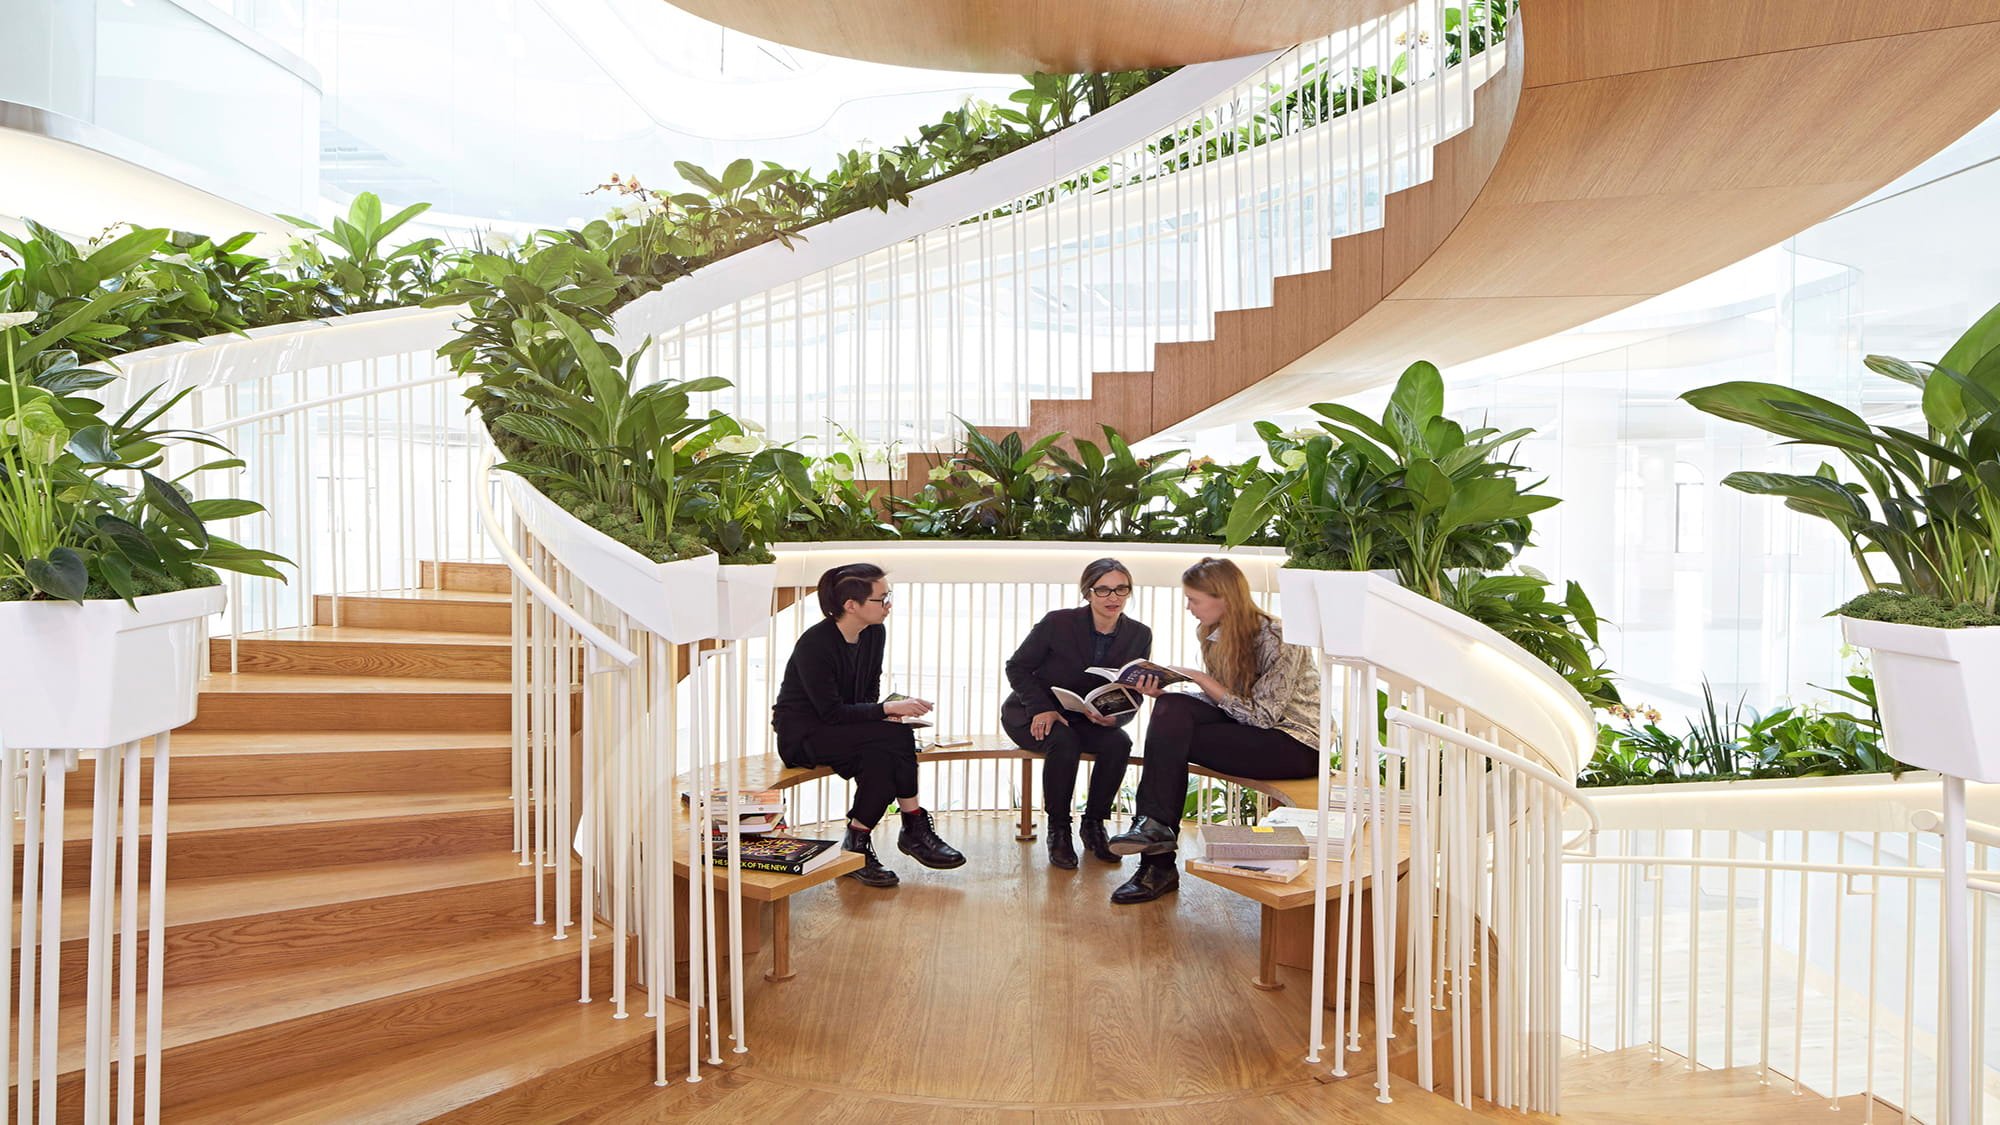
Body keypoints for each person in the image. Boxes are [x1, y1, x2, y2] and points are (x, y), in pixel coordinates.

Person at [1105, 557, 1320, 905]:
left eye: (1195, 600)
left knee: (1171, 736)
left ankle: (1156, 859)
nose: (1189, 608)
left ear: (1224, 598)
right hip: (1248, 730)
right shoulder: (1212, 632)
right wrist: (1174, 688)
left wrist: (1201, 679)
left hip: (1294, 744)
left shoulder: (1279, 638)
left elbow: (1263, 716)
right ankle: (1154, 840)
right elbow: (1232, 701)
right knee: (1170, 708)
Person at [772, 563, 966, 887]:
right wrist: (887, 710)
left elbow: (867, 692)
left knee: (885, 760)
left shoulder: (874, 633)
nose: (888, 605)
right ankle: (913, 825)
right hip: (804, 734)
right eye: (882, 598)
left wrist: (884, 713)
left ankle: (856, 847)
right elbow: (831, 712)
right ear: (851, 605)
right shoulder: (815, 644)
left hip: (845, 730)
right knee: (896, 739)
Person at [1002, 558, 1154, 870]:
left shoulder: (1139, 634)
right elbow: (1017, 667)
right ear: (1087, 593)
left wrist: (1115, 717)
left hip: (1086, 715)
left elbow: (1131, 687)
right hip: (1033, 712)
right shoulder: (1057, 622)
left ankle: (1094, 824)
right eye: (1104, 590)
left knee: (1119, 742)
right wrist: (1041, 708)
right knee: (1065, 740)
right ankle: (1058, 830)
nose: (1113, 597)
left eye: (1121, 589)